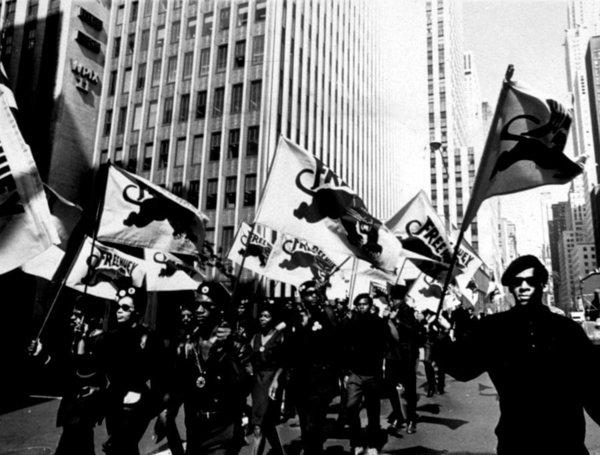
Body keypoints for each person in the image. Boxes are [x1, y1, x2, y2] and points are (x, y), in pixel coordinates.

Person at [439, 255, 600, 454]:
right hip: (516, 443)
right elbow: (462, 368)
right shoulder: (493, 328)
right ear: (510, 287)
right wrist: (440, 336)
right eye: (517, 282)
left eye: (530, 281)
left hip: (566, 444)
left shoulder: (567, 329)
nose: (523, 287)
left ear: (542, 284)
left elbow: (592, 388)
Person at [167, 282, 252, 455]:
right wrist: (168, 412)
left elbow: (244, 386)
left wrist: (226, 350)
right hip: (195, 429)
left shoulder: (236, 345)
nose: (198, 310)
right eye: (196, 305)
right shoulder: (188, 344)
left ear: (220, 309)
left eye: (206, 306)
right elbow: (178, 385)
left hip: (224, 429)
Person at [29, 299, 106, 455]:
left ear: (91, 317)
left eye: (78, 314)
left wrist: (82, 342)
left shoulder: (101, 341)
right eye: (73, 313)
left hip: (83, 412)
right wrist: (41, 354)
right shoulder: (77, 339)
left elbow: (83, 373)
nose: (72, 317)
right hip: (72, 411)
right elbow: (64, 371)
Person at [101, 285, 167, 455]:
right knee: (124, 448)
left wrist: (160, 409)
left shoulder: (149, 338)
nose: (119, 311)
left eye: (125, 308)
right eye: (118, 307)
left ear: (137, 312)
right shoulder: (111, 337)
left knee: (121, 445)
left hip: (136, 405)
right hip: (114, 402)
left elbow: (159, 375)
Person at [287, 280, 341, 455]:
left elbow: (335, 339)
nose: (312, 296)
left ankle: (313, 451)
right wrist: (302, 326)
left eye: (314, 293)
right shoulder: (295, 316)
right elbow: (289, 346)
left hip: (321, 379)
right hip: (300, 379)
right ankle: (311, 449)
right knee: (305, 424)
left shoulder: (325, 313)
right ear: (302, 297)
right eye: (308, 294)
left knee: (314, 423)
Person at [343, 294, 387, 455]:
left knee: (373, 410)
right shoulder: (350, 322)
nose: (362, 307)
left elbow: (385, 344)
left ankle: (373, 444)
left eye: (365, 304)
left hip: (372, 373)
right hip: (355, 373)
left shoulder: (378, 322)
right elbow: (344, 345)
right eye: (359, 304)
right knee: (351, 408)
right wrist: (345, 371)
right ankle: (356, 443)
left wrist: (381, 366)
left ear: (370, 305)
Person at [384, 284, 423, 434]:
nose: (392, 301)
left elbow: (414, 331)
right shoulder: (390, 311)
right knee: (390, 385)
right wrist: (386, 318)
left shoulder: (410, 311)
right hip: (392, 355)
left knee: (409, 389)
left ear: (401, 299)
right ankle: (398, 415)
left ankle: (411, 419)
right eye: (391, 298)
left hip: (407, 356)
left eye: (394, 298)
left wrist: (397, 321)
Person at [249, 304, 286, 455]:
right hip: (257, 382)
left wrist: (276, 380)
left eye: (267, 316)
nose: (262, 319)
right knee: (267, 423)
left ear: (273, 319)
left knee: (259, 425)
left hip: (271, 381)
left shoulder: (280, 337)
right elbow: (249, 358)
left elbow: (284, 363)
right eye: (261, 316)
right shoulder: (256, 336)